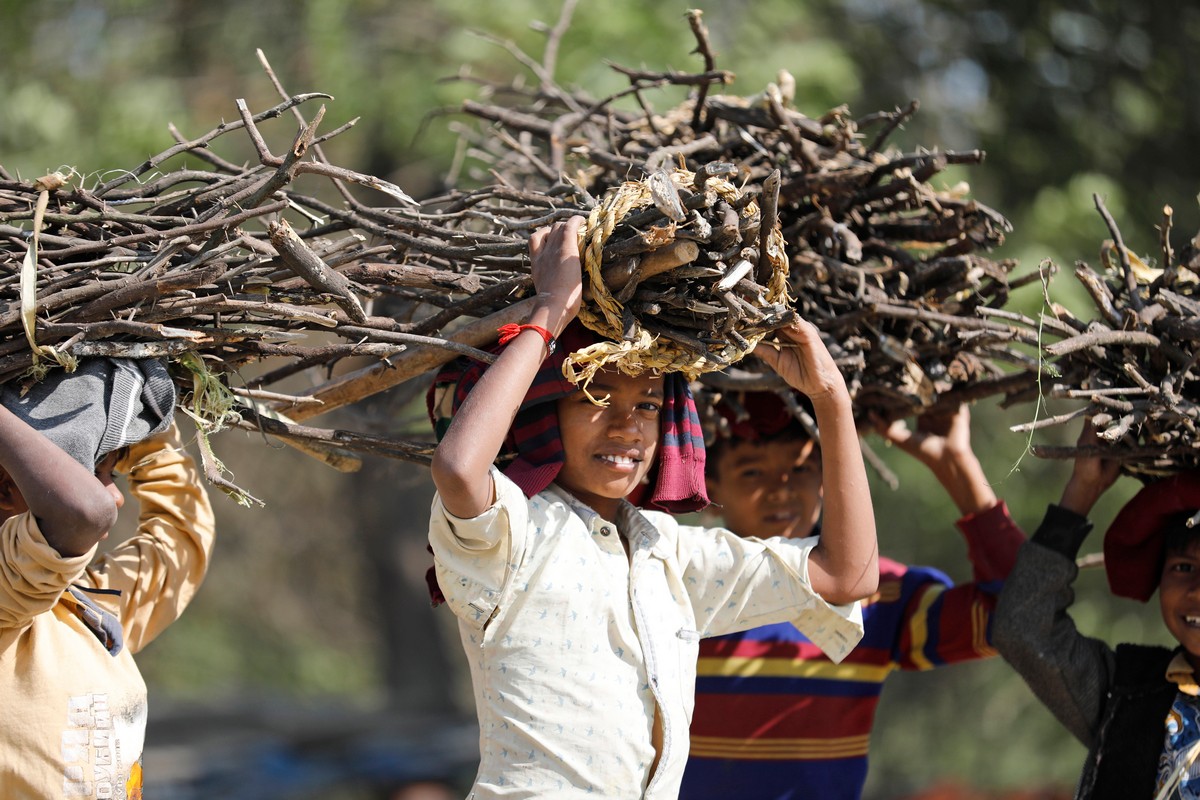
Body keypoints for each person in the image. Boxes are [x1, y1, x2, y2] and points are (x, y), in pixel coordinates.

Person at [425, 216, 879, 799]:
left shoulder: (669, 555)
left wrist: (830, 397)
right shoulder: (513, 535)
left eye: (644, 404)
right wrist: (550, 311)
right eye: (596, 393)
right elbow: (460, 469)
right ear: (541, 411)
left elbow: (848, 576)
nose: (625, 425)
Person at [680, 393, 1027, 800]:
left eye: (801, 468)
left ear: (829, 479)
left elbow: (1018, 621)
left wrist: (957, 466)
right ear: (710, 483)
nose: (780, 490)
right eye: (752, 472)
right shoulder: (682, 586)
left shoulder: (878, 596)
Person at [0, 357, 216, 799]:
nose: (115, 495)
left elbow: (181, 539)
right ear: (5, 485)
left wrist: (144, 404)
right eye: (96, 471)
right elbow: (82, 513)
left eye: (113, 472)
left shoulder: (83, 612)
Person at [993, 424, 1200, 799]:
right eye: (1183, 568)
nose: (1198, 590)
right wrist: (1082, 490)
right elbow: (1024, 628)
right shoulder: (1130, 690)